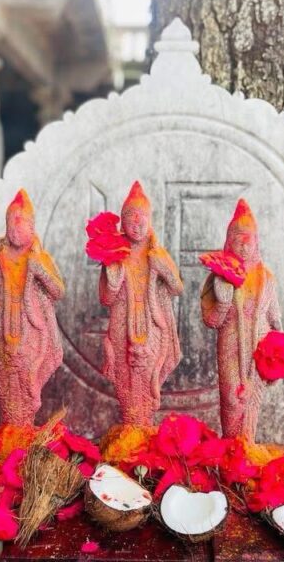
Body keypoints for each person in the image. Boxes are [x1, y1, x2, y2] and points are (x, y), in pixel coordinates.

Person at [0, 189, 65, 425]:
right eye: (10, 225)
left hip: (33, 333)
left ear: (32, 227)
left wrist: (40, 271)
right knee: (7, 384)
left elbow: (58, 292)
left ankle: (25, 427)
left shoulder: (41, 259)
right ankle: (12, 429)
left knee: (28, 381)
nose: (15, 230)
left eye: (21, 224)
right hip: (4, 333)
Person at [100, 181, 183, 426]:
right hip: (122, 327)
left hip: (154, 327)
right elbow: (106, 298)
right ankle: (130, 429)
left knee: (148, 379)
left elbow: (177, 288)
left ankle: (144, 427)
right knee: (125, 379)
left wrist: (164, 269)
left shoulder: (157, 254)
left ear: (150, 220)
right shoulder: (114, 254)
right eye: (131, 218)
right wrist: (113, 278)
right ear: (122, 223)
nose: (137, 224)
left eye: (142, 218)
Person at [201, 199, 281, 440]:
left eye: (249, 239)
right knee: (232, 399)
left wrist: (279, 353)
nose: (244, 245)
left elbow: (274, 317)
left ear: (257, 242)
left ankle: (246, 446)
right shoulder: (219, 277)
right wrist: (223, 301)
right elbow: (212, 321)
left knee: (253, 399)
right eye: (238, 239)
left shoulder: (266, 277)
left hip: (260, 344)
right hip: (231, 344)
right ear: (229, 242)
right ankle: (230, 446)